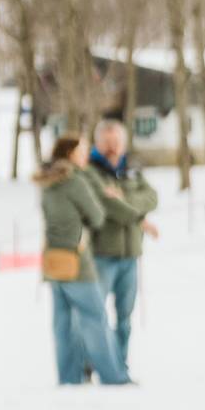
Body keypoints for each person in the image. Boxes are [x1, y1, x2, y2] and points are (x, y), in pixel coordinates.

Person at [35, 136, 129, 386]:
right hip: (76, 259)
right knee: (95, 318)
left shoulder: (46, 182)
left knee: (63, 324)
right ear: (70, 154)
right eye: (82, 151)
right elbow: (97, 216)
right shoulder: (74, 181)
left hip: (53, 259)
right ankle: (114, 377)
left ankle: (69, 378)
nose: (86, 155)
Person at [84, 119, 159, 378]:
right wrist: (139, 216)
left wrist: (125, 200)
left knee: (124, 319)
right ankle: (91, 364)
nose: (112, 147)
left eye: (116, 141)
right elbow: (106, 207)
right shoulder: (91, 171)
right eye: (107, 142)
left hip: (130, 254)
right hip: (102, 254)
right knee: (96, 314)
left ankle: (120, 365)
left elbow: (152, 197)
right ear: (98, 143)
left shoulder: (132, 169)